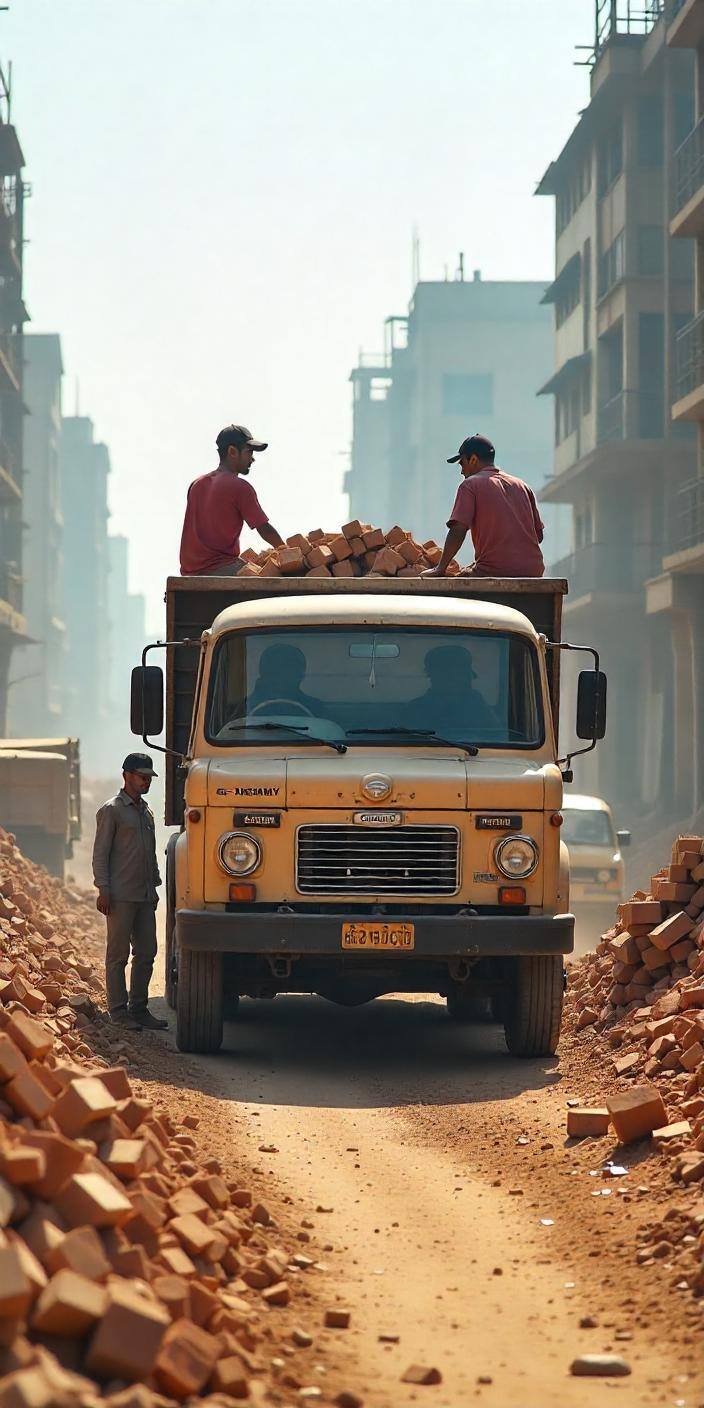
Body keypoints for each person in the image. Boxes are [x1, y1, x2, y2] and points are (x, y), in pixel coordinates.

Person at [92, 753, 168, 1031]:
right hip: (120, 896)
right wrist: (103, 889)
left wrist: (155, 888)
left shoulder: (145, 811)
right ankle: (118, 1011)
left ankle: (139, 1009)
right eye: (141, 776)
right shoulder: (112, 810)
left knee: (147, 952)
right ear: (126, 775)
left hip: (145, 896)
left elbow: (151, 854)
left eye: (149, 777)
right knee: (118, 955)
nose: (146, 781)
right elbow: (100, 854)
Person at [426, 433, 545, 579]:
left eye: (462, 463)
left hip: (493, 571)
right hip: (534, 571)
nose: (462, 471)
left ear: (474, 459)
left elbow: (458, 529)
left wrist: (440, 568)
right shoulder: (523, 486)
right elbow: (538, 536)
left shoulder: (470, 485)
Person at [180, 423, 285, 576]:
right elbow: (264, 528)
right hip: (221, 568)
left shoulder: (196, 485)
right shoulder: (240, 487)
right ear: (232, 452)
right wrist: (287, 551)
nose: (253, 459)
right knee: (275, 576)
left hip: (190, 572)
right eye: (249, 452)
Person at [406, 645, 496, 734]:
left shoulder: (478, 705)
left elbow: (497, 735)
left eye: (462, 672)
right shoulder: (415, 710)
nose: (466, 678)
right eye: (449, 673)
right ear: (433, 675)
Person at [248, 644, 323, 716]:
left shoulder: (315, 708)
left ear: (300, 675)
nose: (282, 676)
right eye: (276, 670)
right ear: (263, 672)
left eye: (289, 669)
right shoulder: (243, 708)